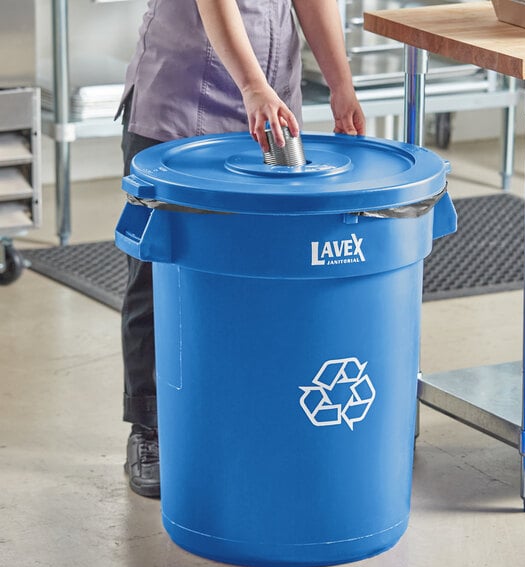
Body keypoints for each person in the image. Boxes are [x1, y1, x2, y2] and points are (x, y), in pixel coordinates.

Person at [119, 0, 366, 497]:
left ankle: (251, 413)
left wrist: (341, 86)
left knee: (264, 273)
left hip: (270, 111)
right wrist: (253, 88)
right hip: (182, 102)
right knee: (158, 278)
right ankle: (150, 428)